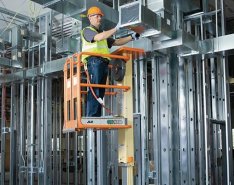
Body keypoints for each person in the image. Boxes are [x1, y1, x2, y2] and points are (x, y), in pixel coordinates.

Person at [81, 6, 140, 117]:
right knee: (95, 89)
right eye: (97, 16)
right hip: (94, 62)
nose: (99, 18)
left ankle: (96, 116)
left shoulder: (102, 34)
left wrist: (131, 37)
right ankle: (92, 116)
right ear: (90, 17)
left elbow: (116, 42)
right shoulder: (87, 31)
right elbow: (98, 38)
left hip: (103, 63)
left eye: (100, 16)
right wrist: (116, 28)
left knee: (101, 91)